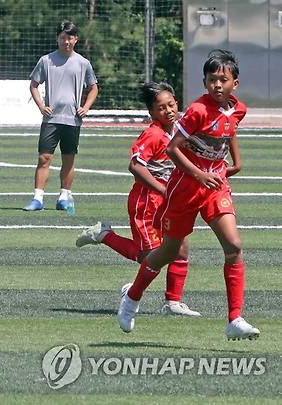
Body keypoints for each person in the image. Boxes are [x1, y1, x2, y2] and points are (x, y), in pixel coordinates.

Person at [117, 50, 260, 340]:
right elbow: (173, 149)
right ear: (205, 82)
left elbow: (229, 129)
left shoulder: (238, 108)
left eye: (223, 79)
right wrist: (199, 174)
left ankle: (235, 319)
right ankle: (132, 296)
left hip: (215, 186)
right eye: (211, 79)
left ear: (235, 83)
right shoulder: (197, 110)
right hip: (185, 187)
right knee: (169, 251)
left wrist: (237, 161)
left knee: (233, 245)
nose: (217, 84)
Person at [76, 82, 200, 317]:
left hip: (170, 202)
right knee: (149, 257)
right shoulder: (152, 134)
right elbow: (135, 166)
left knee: (181, 248)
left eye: (171, 105)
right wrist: (163, 190)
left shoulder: (180, 130)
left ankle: (173, 302)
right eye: (161, 108)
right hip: (147, 203)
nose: (169, 111)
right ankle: (104, 235)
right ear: (152, 113)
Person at [23, 21, 98, 212]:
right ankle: (37, 198)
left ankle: (64, 196)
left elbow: (94, 87)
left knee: (68, 159)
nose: (66, 41)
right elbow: (33, 84)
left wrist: (86, 107)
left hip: (72, 119)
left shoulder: (83, 63)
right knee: (44, 158)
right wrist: (41, 106)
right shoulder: (46, 60)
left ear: (76, 39)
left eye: (70, 37)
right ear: (58, 38)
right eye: (63, 37)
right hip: (51, 119)